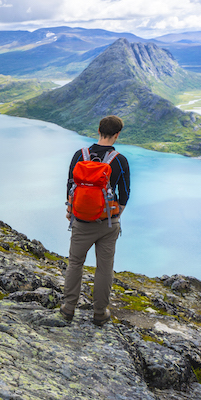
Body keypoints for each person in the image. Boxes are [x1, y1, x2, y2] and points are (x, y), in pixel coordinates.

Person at [61, 115, 130, 327]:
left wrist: (71, 210)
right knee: (104, 268)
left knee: (75, 263)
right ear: (117, 135)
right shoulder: (119, 160)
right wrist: (116, 214)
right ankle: (100, 313)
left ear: (98, 130)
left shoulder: (79, 155)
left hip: (81, 222)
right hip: (108, 224)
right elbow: (125, 193)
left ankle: (68, 309)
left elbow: (70, 185)